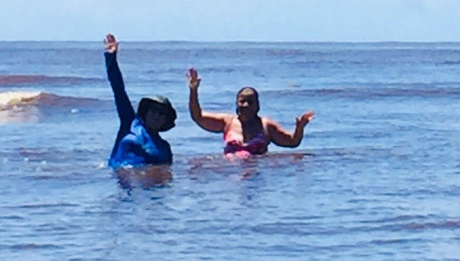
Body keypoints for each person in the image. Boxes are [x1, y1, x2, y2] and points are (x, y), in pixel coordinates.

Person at [186, 67, 314, 156]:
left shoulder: (266, 126)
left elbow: (292, 142)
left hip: (257, 175)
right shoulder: (228, 122)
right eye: (242, 101)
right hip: (232, 175)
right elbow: (198, 116)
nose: (246, 105)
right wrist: (193, 90)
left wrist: (300, 127)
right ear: (236, 104)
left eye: (251, 102)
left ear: (258, 106)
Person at [104, 33, 177, 168]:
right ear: (146, 112)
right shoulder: (130, 124)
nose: (156, 116)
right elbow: (118, 89)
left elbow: (167, 174)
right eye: (153, 111)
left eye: (161, 114)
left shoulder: (165, 148)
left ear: (166, 120)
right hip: (121, 182)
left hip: (149, 186)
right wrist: (111, 57)